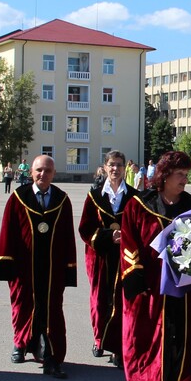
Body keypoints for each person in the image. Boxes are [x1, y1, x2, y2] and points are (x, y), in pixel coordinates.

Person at [121, 151, 191, 381]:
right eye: (180, 175)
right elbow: (129, 243)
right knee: (148, 339)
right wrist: (136, 275)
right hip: (150, 289)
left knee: (186, 340)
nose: (185, 180)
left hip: (182, 287)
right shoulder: (139, 205)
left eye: (187, 175)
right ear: (165, 176)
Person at [0, 155, 77, 378]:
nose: (43, 174)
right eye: (39, 170)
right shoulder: (18, 198)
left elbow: (68, 236)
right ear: (30, 172)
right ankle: (20, 344)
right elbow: (7, 232)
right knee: (23, 307)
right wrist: (5, 263)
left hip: (53, 268)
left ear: (54, 173)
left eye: (48, 171)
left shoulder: (61, 199)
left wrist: (70, 268)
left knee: (52, 312)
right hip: (24, 267)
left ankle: (53, 357)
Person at [79, 151, 137, 366]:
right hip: (100, 256)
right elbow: (85, 228)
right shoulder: (94, 195)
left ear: (125, 168)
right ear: (104, 167)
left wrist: (126, 237)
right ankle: (99, 338)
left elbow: (140, 226)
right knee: (100, 299)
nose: (115, 169)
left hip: (125, 255)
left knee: (123, 301)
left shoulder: (133, 195)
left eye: (120, 165)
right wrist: (106, 236)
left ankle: (118, 347)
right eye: (112, 165)